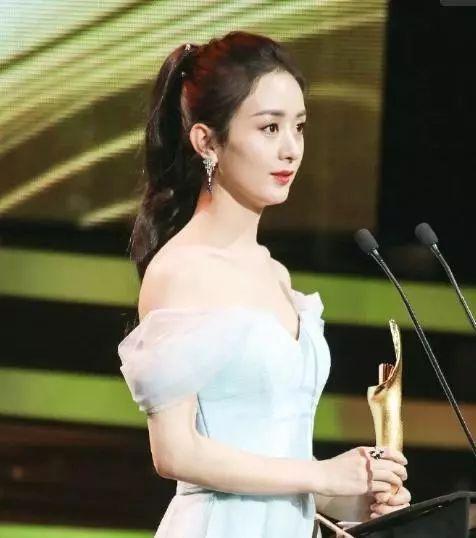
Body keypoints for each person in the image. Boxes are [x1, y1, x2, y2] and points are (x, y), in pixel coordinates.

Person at [117, 31, 411, 538]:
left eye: (299, 126)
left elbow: (278, 460)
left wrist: (357, 496)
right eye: (269, 127)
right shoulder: (182, 269)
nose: (290, 149)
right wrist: (322, 474)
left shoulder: (276, 275)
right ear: (207, 141)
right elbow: (174, 452)